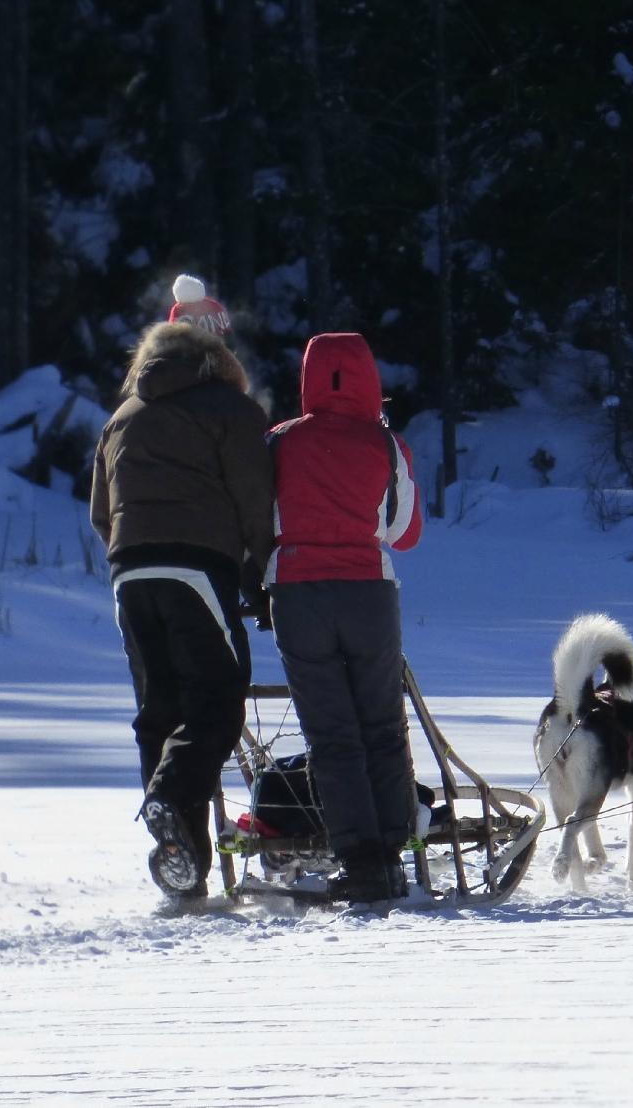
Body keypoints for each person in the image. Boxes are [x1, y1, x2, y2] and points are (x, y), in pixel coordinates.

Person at [90, 280, 274, 900]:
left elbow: (100, 512)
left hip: (129, 573)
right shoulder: (230, 409)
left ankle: (184, 863)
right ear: (219, 351)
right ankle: (166, 800)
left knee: (159, 713)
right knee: (217, 701)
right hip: (197, 567)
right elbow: (256, 503)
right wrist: (261, 574)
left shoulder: (121, 418)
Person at [265, 332, 425, 902]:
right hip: (368, 594)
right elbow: (406, 532)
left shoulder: (279, 442)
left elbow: (261, 519)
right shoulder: (386, 445)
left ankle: (358, 860)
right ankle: (392, 854)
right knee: (382, 723)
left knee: (331, 732)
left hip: (299, 594)